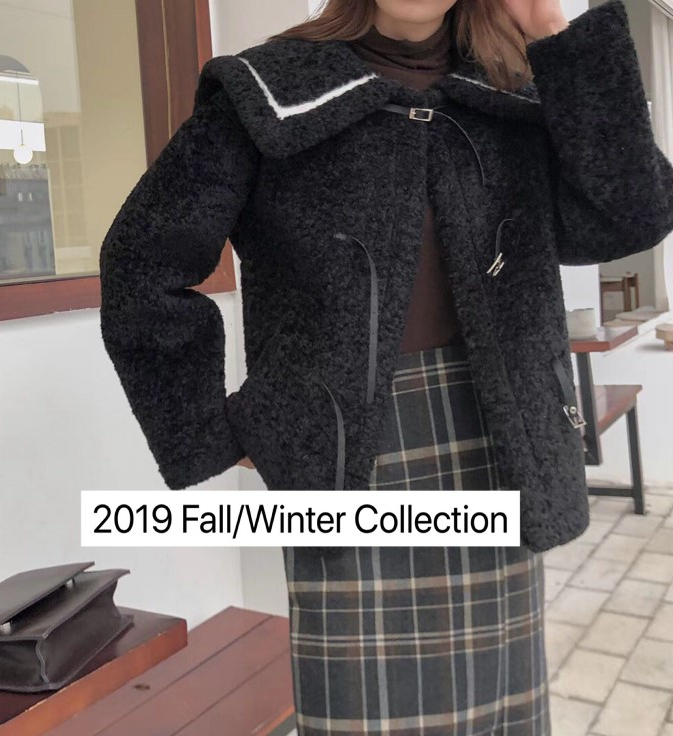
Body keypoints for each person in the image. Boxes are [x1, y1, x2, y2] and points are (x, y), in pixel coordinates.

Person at [99, 0, 673, 733]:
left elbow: (633, 214)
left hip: (494, 441)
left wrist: (554, 36)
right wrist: (212, 431)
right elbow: (142, 264)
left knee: (497, 713)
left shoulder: (513, 90)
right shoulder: (269, 91)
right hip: (349, 460)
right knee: (361, 713)